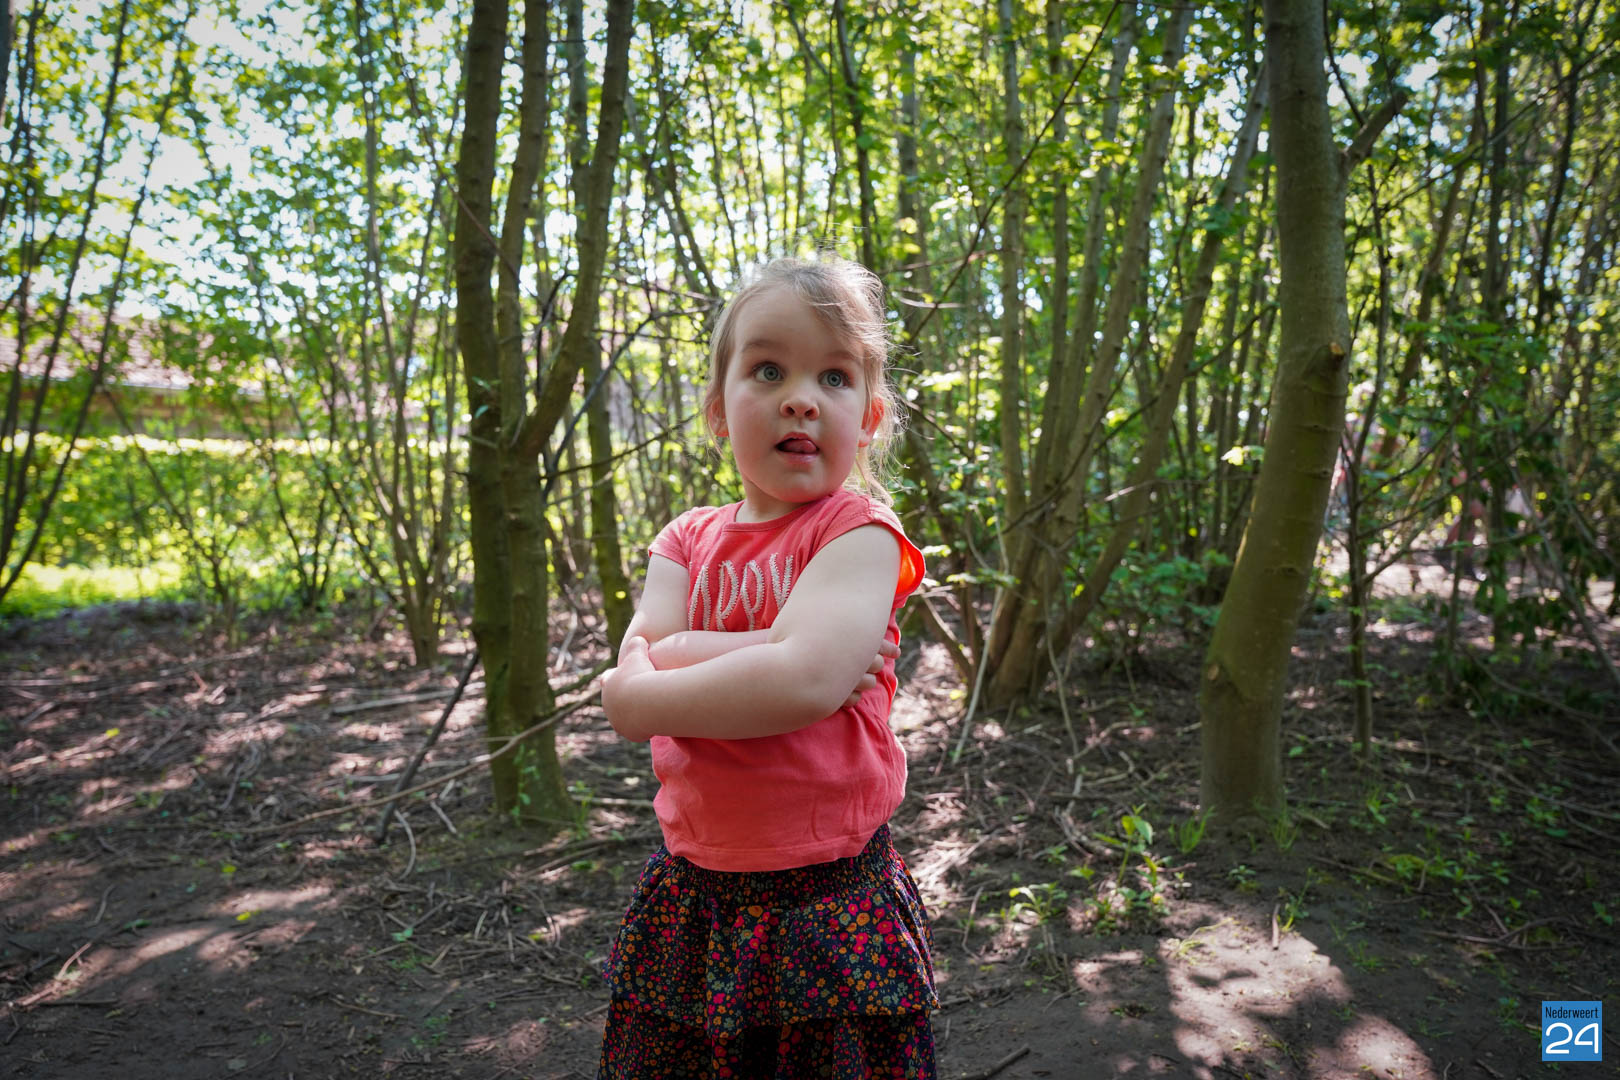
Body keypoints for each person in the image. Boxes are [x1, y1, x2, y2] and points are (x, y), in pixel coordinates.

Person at [598, 256, 937, 1078]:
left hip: (831, 904)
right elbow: (631, 692)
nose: (801, 398)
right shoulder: (684, 541)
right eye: (769, 370)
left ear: (870, 418)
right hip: (695, 896)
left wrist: (675, 667)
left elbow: (800, 684)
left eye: (834, 376)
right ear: (719, 409)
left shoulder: (859, 534)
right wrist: (762, 648)